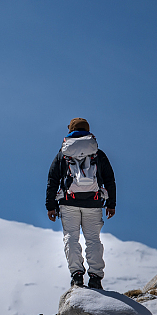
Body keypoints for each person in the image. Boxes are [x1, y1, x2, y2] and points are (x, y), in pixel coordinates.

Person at [46, 117, 116, 289]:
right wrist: (111, 203)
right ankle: (95, 277)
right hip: (93, 203)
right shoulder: (98, 153)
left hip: (68, 203)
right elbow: (110, 179)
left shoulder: (63, 153)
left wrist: (50, 206)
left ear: (70, 130)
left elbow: (52, 180)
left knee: (71, 238)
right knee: (93, 240)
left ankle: (77, 275)